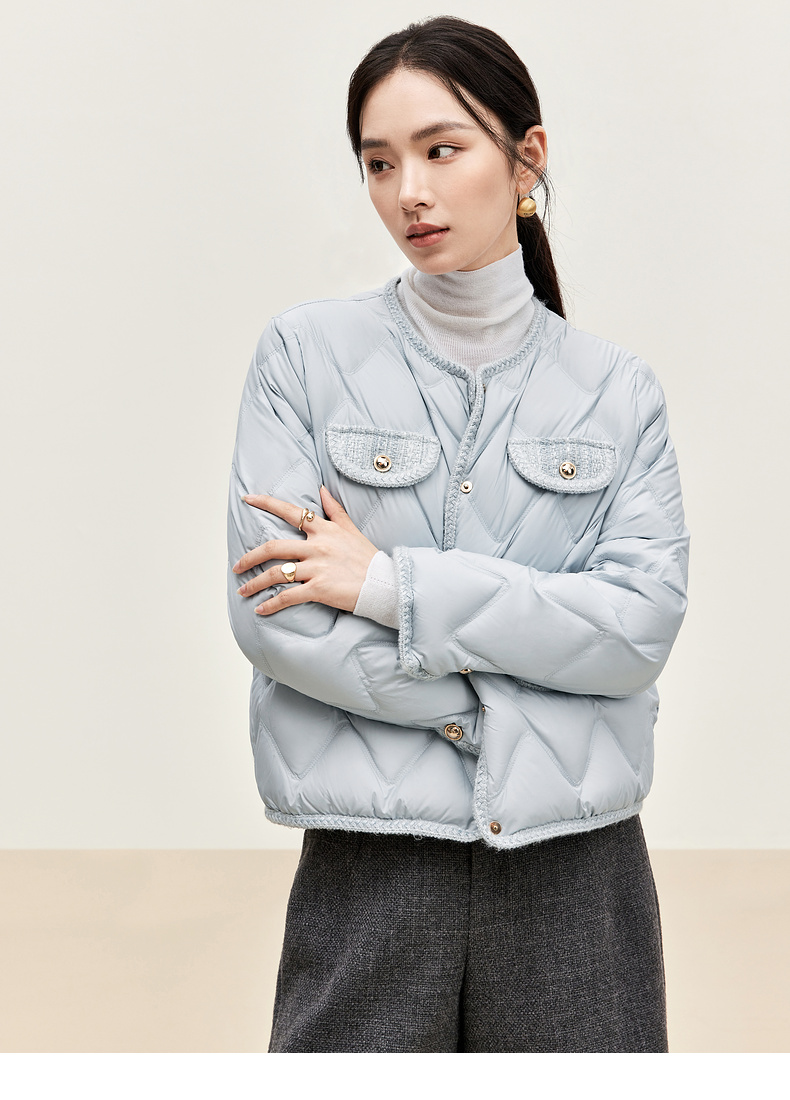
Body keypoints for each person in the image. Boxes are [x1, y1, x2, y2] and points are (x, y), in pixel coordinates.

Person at [226, 15, 689, 1053]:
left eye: (441, 150)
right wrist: (522, 711)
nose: (410, 193)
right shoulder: (304, 357)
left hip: (576, 865)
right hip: (370, 862)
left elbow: (636, 629)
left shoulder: (619, 393)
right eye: (380, 163)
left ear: (526, 158)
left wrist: (388, 586)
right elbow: (277, 616)